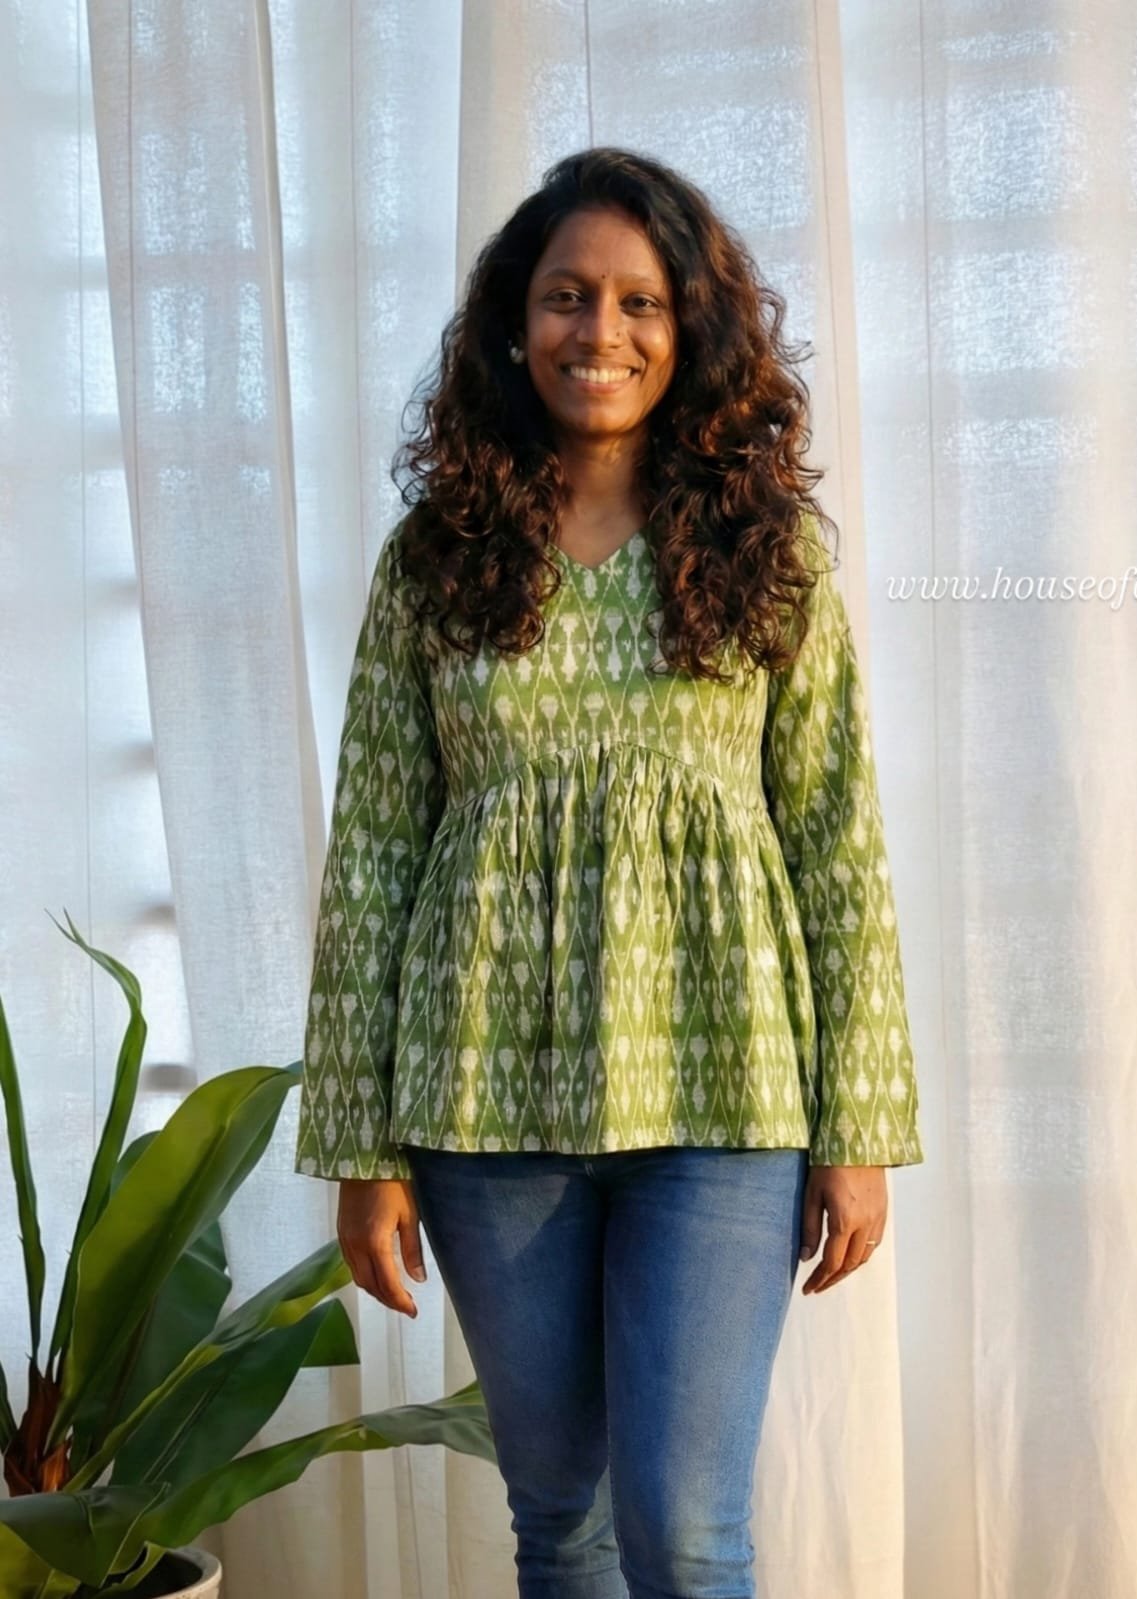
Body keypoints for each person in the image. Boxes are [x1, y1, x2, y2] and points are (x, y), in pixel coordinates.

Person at [295, 145, 924, 1599]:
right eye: (567, 295)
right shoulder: (435, 563)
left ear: (691, 327)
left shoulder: (769, 558)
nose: (603, 330)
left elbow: (837, 841)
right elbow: (374, 854)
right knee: (559, 1525)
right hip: (479, 1095)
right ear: (515, 324)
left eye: (641, 301)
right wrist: (362, 1150)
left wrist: (859, 1127)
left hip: (726, 1092)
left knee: (687, 1534)